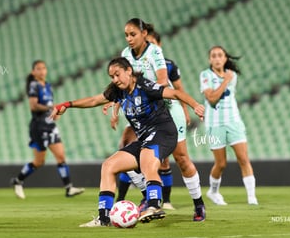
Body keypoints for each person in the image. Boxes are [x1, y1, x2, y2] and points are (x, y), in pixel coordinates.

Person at [50, 57, 205, 227]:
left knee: (148, 163)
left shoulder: (144, 86)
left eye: (117, 74)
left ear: (129, 71)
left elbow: (175, 93)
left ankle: (154, 206)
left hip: (164, 133)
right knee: (108, 166)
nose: (115, 80)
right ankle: (104, 218)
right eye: (112, 77)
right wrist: (68, 104)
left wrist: (195, 105)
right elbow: (94, 100)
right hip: (145, 138)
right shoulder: (118, 91)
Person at [110, 19, 206, 215]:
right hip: (144, 112)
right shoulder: (126, 55)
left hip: (167, 107)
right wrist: (115, 105)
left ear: (143, 34)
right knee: (128, 149)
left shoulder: (154, 51)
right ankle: (150, 198)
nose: (128, 39)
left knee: (181, 157)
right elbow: (124, 83)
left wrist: (188, 106)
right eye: (126, 35)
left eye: (132, 34)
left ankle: (198, 204)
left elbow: (162, 80)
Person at [10, 60, 84, 199]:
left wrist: (54, 114)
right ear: (33, 72)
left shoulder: (48, 85)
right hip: (39, 127)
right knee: (39, 162)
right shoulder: (34, 85)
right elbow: (33, 106)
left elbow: (49, 105)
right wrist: (51, 108)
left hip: (50, 126)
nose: (42, 71)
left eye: (44, 68)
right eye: (38, 68)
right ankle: (18, 181)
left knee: (61, 156)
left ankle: (69, 188)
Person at [200, 46, 258, 205]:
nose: (217, 58)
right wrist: (225, 80)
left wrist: (227, 78)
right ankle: (213, 191)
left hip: (233, 121)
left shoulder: (232, 76)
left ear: (225, 58)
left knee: (244, 159)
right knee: (221, 163)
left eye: (220, 55)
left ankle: (252, 198)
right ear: (210, 60)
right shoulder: (206, 75)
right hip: (215, 124)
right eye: (214, 56)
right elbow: (211, 98)